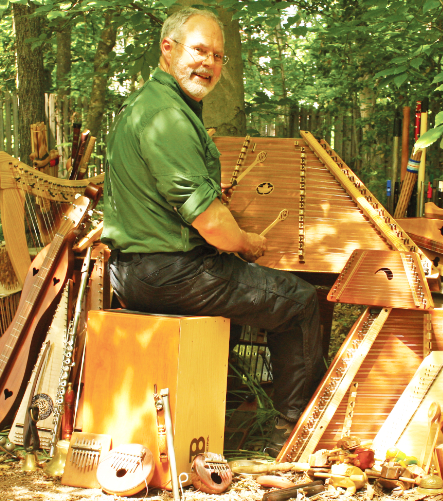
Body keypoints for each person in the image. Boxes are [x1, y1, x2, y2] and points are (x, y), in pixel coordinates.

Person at [100, 7, 325, 456]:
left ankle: (212, 418)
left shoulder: (148, 105)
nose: (209, 63)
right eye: (200, 51)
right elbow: (211, 225)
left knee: (248, 303)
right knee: (300, 302)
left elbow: (166, 191)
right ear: (168, 48)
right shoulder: (168, 116)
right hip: (171, 273)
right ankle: (294, 433)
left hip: (133, 271)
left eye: (218, 56)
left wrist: (209, 196)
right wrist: (246, 242)